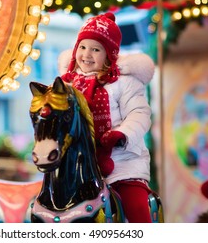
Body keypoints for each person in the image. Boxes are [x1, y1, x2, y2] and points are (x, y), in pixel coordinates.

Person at [59, 12, 155, 223]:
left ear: (109, 54)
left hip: (122, 164)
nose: (87, 54)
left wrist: (121, 133)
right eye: (83, 47)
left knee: (135, 206)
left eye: (96, 49)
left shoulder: (125, 82)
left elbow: (140, 113)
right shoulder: (66, 84)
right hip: (79, 165)